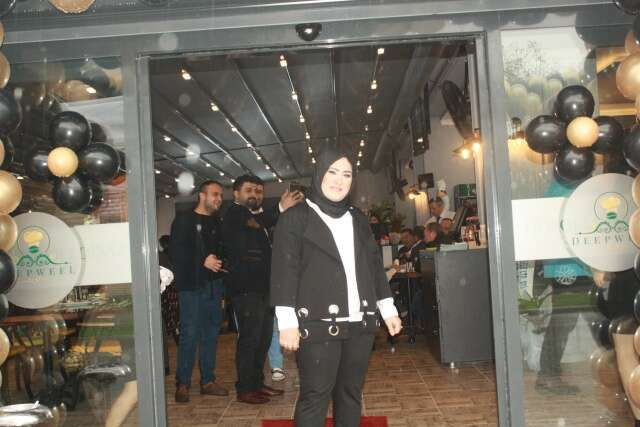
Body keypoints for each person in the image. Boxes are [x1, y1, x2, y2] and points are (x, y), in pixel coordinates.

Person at [271, 144, 402, 426]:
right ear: (319, 173)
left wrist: (388, 308)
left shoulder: (358, 219)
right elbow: (284, 271)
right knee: (314, 396)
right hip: (317, 322)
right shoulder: (295, 218)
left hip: (360, 322)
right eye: (332, 172)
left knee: (351, 395)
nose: (339, 180)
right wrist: (287, 322)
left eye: (346, 174)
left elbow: (373, 266)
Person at [222, 175, 302, 404]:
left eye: (258, 191)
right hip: (246, 288)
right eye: (249, 190)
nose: (254, 195)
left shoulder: (256, 217)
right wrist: (281, 208)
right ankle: (245, 388)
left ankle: (256, 383)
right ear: (236, 193)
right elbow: (258, 223)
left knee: (263, 338)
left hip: (264, 288)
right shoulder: (235, 213)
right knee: (249, 339)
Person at [169, 180, 228, 403]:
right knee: (189, 335)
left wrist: (221, 263)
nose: (219, 199)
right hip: (191, 287)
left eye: (220, 195)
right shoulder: (184, 219)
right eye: (215, 194)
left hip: (214, 285)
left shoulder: (217, 222)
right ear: (202, 196)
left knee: (211, 335)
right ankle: (183, 383)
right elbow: (176, 252)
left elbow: (223, 250)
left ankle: (208, 381)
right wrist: (203, 260)